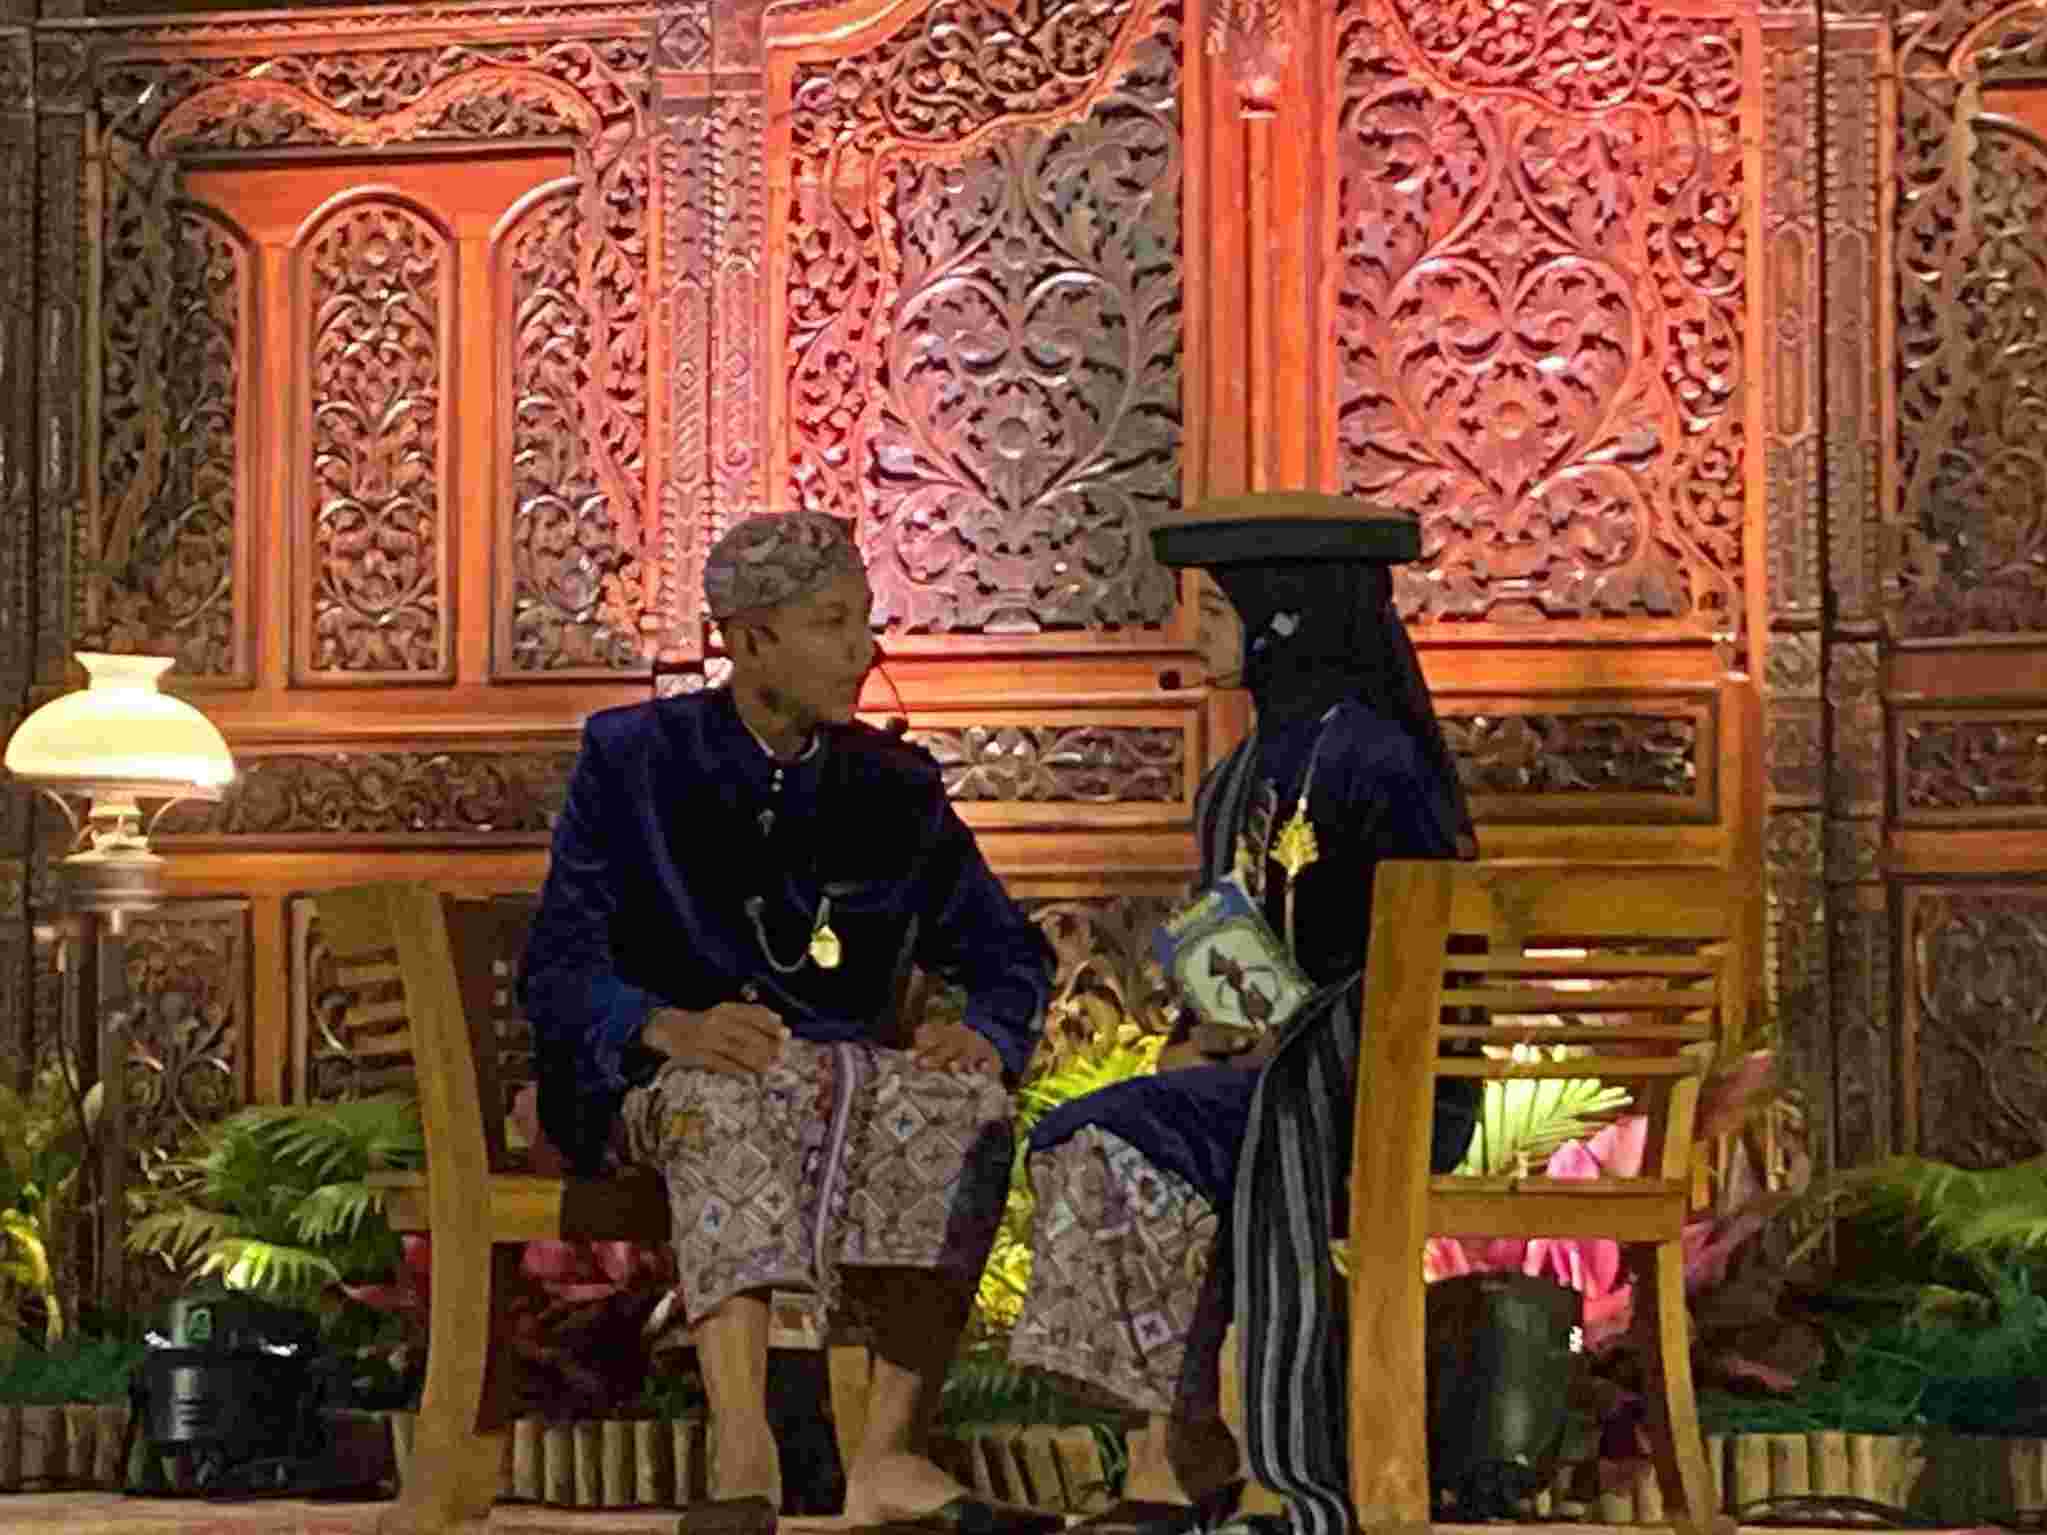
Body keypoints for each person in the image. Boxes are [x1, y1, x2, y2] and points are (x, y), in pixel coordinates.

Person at [519, 512, 1059, 1535]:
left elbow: (1007, 952)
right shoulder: (632, 758)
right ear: (750, 639)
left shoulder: (895, 786)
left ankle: (889, 1454)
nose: (865, 648)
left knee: (968, 1107)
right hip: (661, 1086)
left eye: (864, 619)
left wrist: (985, 1030)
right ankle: (743, 1451)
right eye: (832, 623)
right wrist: (665, 1026)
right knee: (723, 1097)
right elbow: (559, 965)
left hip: (843, 1083)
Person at [1007, 493, 1482, 1535]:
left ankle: (1197, 1455)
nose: (1196, 636)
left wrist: (1293, 1042)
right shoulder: (1237, 778)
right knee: (1104, 1128)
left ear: (1285, 618)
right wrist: (1212, 1030)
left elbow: (1433, 961)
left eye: (1217, 611)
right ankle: (1175, 1444)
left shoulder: (1381, 763)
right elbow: (1240, 957)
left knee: (1120, 1135)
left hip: (1377, 1092)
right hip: (1270, 1080)